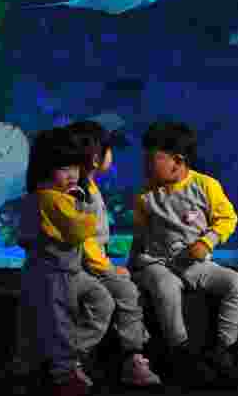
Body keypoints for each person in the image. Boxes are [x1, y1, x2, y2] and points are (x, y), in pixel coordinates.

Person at [128, 122, 238, 388]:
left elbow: (227, 218)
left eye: (152, 160)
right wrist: (132, 267)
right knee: (165, 286)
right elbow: (139, 236)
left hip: (196, 263)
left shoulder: (206, 186)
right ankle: (180, 349)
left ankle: (223, 347)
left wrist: (207, 242)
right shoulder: (145, 196)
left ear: (177, 161)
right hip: (158, 263)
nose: (146, 166)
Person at [66, 120, 161, 387]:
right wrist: (106, 268)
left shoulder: (91, 187)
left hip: (92, 262)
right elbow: (85, 241)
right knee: (124, 290)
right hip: (84, 265)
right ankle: (73, 359)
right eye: (109, 150)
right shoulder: (80, 192)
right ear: (96, 157)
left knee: (127, 291)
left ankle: (134, 357)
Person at [17, 127, 105, 395]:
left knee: (100, 303)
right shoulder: (52, 199)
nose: (71, 175)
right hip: (55, 274)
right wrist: (85, 205)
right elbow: (80, 229)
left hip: (59, 271)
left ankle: (62, 355)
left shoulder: (44, 197)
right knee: (60, 321)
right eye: (63, 168)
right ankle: (64, 373)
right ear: (44, 169)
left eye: (75, 168)